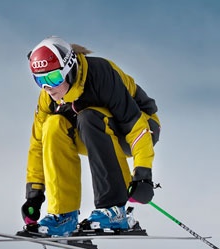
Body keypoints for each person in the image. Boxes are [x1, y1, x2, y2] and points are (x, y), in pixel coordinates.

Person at [20, 36, 160, 237]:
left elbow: (136, 127)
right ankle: (63, 215)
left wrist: (143, 175)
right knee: (52, 125)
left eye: (52, 79)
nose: (47, 87)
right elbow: (38, 145)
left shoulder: (101, 75)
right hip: (94, 135)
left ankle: (114, 210)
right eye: (39, 80)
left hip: (141, 128)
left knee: (88, 116)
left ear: (69, 69)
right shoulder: (48, 98)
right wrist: (34, 195)